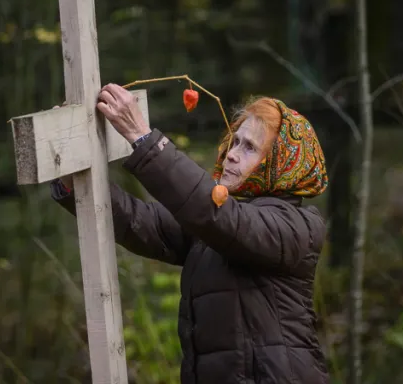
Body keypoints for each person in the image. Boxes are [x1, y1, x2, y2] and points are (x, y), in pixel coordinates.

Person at [50, 83, 331, 384]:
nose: (232, 154)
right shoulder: (217, 224)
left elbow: (219, 217)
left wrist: (143, 138)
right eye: (235, 142)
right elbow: (143, 221)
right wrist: (73, 180)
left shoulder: (297, 228)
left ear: (283, 164)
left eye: (250, 147)